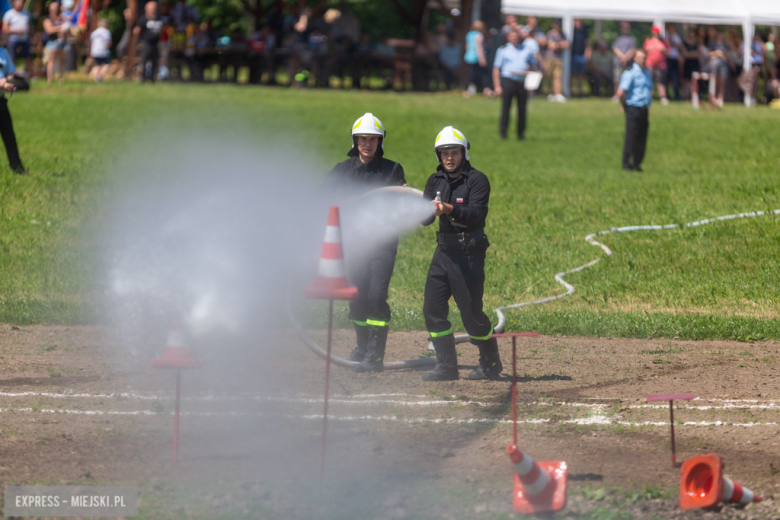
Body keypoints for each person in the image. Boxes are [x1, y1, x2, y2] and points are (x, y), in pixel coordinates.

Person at [323, 113, 406, 373]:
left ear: (380, 142)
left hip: (382, 241)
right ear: (355, 140)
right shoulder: (342, 171)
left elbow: (401, 202)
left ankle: (375, 353)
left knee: (376, 295)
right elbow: (319, 199)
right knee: (356, 295)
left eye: (372, 139)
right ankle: (362, 346)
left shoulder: (392, 169)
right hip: (355, 241)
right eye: (362, 139)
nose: (367, 144)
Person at [420, 126, 501, 381]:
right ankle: (447, 366)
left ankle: (490, 362)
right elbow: (425, 220)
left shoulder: (477, 180)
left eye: (454, 152)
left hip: (469, 253)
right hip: (443, 251)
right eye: (444, 153)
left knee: (471, 314)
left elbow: (476, 214)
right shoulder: (435, 181)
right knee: (432, 308)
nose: (449, 158)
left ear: (464, 153)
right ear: (438, 156)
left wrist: (449, 209)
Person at [493, 29, 537, 140]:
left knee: (522, 109)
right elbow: (496, 68)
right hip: (509, 80)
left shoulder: (526, 50)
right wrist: (497, 86)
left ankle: (521, 134)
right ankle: (503, 134)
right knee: (506, 108)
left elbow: (533, 65)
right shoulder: (503, 50)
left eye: (516, 36)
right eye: (512, 36)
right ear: (508, 37)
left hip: (522, 82)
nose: (514, 38)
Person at [617, 48, 653, 172]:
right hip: (633, 108)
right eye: (639, 57)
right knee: (631, 137)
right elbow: (621, 92)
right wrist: (625, 106)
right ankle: (626, 164)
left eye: (643, 57)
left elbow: (650, 89)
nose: (641, 60)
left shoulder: (646, 73)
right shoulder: (631, 72)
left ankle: (637, 164)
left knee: (642, 138)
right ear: (634, 58)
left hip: (644, 108)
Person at [0, 44, 25, 173]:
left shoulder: (3, 52)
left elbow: (11, 73)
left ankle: (17, 167)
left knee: (9, 135)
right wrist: (3, 83)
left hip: (1, 101)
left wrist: (7, 79)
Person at [133, 1, 163, 84]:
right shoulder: (143, 19)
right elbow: (136, 31)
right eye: (152, 7)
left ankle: (152, 79)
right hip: (146, 44)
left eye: (154, 7)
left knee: (155, 62)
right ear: (147, 8)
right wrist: (138, 43)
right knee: (144, 62)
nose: (153, 9)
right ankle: (143, 79)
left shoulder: (159, 18)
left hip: (155, 44)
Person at [3, 0, 31, 75]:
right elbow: (5, 29)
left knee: (28, 57)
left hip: (24, 39)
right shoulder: (9, 14)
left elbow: (29, 25)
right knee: (13, 57)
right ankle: (12, 74)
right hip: (13, 39)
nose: (21, 5)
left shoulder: (26, 13)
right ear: (14, 4)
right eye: (19, 4)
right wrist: (17, 31)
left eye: (22, 4)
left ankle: (28, 74)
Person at [643, 25, 669, 104]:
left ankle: (663, 97)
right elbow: (643, 52)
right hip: (649, 64)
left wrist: (663, 49)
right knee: (649, 80)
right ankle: (649, 97)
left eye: (656, 32)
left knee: (661, 81)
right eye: (653, 32)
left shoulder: (664, 41)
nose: (654, 33)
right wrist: (647, 50)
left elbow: (668, 53)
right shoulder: (648, 41)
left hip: (661, 64)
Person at [544, 20, 568, 102]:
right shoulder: (550, 33)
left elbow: (567, 44)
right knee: (549, 76)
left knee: (558, 76)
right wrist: (560, 44)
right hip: (550, 58)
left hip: (558, 58)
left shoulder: (563, 34)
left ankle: (558, 94)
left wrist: (558, 45)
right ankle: (550, 93)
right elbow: (552, 46)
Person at [42, 2, 65, 84]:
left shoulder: (61, 18)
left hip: (61, 42)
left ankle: (61, 79)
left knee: (61, 61)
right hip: (52, 42)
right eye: (53, 7)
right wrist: (60, 28)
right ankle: (50, 79)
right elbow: (49, 30)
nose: (55, 9)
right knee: (51, 61)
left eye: (56, 7)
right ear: (49, 8)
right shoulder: (47, 19)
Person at [612, 21, 636, 100]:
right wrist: (622, 57)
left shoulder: (632, 39)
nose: (624, 29)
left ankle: (627, 95)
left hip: (628, 63)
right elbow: (615, 49)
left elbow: (632, 50)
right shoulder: (618, 38)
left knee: (628, 79)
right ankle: (617, 95)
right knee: (617, 79)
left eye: (626, 28)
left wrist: (626, 58)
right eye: (623, 28)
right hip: (619, 63)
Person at [464, 21, 488, 96]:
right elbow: (479, 47)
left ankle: (468, 89)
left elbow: (467, 46)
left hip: (469, 56)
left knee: (470, 74)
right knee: (483, 74)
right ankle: (485, 89)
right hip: (476, 57)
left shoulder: (469, 34)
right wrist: (482, 58)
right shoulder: (479, 35)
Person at [705, 30, 729, 107]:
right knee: (714, 81)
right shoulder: (712, 43)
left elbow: (728, 55)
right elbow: (708, 54)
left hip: (723, 63)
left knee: (722, 81)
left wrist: (724, 54)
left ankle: (720, 98)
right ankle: (713, 97)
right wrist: (716, 53)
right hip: (714, 64)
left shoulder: (726, 44)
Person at [570, 19, 589, 97]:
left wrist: (587, 54)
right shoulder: (571, 31)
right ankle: (570, 91)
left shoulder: (584, 31)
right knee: (571, 74)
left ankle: (580, 92)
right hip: (573, 55)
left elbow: (587, 43)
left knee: (580, 75)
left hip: (581, 56)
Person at [681, 28, 700, 99]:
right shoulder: (684, 43)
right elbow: (685, 54)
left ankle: (693, 97)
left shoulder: (697, 44)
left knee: (694, 81)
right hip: (687, 64)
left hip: (694, 65)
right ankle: (686, 96)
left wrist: (689, 54)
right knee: (686, 81)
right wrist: (693, 54)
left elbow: (698, 54)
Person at [665, 23, 682, 101]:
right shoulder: (665, 35)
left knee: (675, 78)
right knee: (666, 78)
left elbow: (679, 45)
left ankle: (676, 95)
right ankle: (666, 95)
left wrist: (672, 44)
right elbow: (667, 44)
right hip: (667, 59)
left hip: (674, 59)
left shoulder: (676, 35)